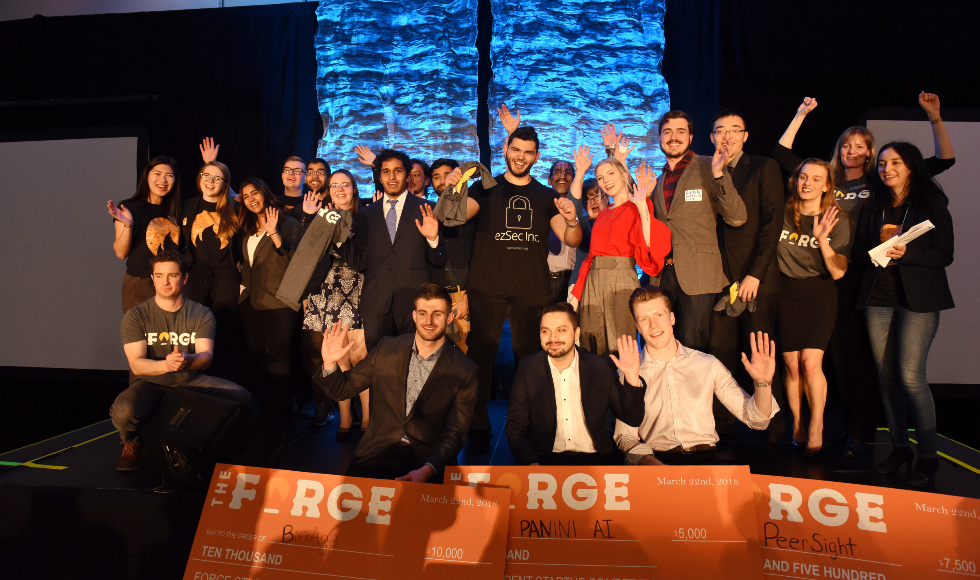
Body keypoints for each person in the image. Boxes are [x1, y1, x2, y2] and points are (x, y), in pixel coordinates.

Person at [773, 94, 955, 457]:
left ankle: (863, 433)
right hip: (834, 275)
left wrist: (935, 118)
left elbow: (942, 162)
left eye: (861, 146)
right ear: (838, 150)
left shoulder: (880, 180)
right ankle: (847, 430)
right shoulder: (827, 179)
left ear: (871, 154)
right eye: (847, 144)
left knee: (876, 364)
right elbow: (783, 157)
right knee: (844, 358)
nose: (852, 150)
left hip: (868, 273)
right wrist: (799, 114)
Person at [441, 119, 582, 454]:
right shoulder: (485, 189)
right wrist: (454, 185)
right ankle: (477, 425)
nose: (520, 156)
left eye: (528, 152)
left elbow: (571, 238)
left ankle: (533, 424)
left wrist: (573, 218)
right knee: (480, 358)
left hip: (531, 289)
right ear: (505, 150)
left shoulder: (546, 196)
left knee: (531, 359)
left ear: (536, 156)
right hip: (486, 287)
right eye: (515, 149)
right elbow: (454, 217)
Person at [853, 142, 954, 488]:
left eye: (895, 162)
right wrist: (875, 253)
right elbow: (857, 253)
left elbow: (945, 254)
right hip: (878, 297)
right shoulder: (874, 206)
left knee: (911, 377)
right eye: (881, 163)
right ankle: (899, 447)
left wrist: (906, 252)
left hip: (918, 300)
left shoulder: (930, 203)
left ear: (910, 166)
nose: (887, 168)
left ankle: (928, 455)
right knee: (887, 378)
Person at [315, 284, 478, 481]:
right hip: (376, 454)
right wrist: (330, 363)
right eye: (423, 313)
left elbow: (455, 433)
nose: (429, 321)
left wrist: (428, 469)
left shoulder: (465, 370)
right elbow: (343, 390)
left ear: (450, 317)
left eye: (437, 314)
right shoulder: (387, 348)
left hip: (427, 461)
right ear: (414, 315)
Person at [110, 250, 250, 471]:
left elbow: (206, 358)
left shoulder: (201, 314)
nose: (165, 281)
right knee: (123, 410)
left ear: (184, 278)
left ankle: (222, 448)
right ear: (153, 278)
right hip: (149, 383)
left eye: (173, 275)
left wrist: (186, 360)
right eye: (159, 275)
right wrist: (166, 365)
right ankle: (132, 443)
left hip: (190, 380)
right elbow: (136, 363)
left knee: (242, 398)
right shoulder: (136, 316)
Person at [614, 286, 778, 465]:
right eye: (644, 319)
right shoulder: (628, 373)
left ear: (672, 318)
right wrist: (650, 463)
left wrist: (763, 383)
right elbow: (625, 436)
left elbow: (757, 420)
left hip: (706, 462)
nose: (653, 325)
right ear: (638, 327)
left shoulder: (707, 364)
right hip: (658, 462)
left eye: (659, 315)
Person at [704, 110, 787, 444]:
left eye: (734, 130)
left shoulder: (764, 167)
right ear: (711, 138)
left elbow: (772, 225)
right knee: (720, 355)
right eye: (720, 130)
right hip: (717, 281)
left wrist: (755, 275)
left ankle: (771, 432)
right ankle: (722, 431)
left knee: (761, 355)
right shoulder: (706, 170)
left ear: (745, 135)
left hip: (756, 281)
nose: (727, 136)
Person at [649, 110, 747, 352]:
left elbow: (737, 217)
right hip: (662, 276)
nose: (673, 137)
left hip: (698, 275)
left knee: (692, 350)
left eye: (680, 131)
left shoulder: (708, 165)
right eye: (667, 132)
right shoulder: (657, 179)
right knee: (662, 348)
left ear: (691, 137)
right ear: (659, 138)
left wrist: (718, 174)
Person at [505, 303, 647, 465]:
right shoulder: (528, 367)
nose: (552, 338)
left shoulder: (600, 367)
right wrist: (530, 463)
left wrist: (632, 378)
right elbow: (515, 426)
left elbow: (632, 418)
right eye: (546, 331)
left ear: (576, 333)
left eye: (561, 330)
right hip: (544, 460)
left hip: (596, 458)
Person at [339, 149, 445, 353]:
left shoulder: (427, 208)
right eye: (386, 172)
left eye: (397, 170)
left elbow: (439, 260)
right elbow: (361, 262)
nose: (392, 176)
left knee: (416, 363)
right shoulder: (366, 214)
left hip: (415, 303)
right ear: (379, 177)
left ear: (407, 175)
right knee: (379, 366)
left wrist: (433, 238)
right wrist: (338, 241)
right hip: (377, 304)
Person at [776, 159, 849, 456]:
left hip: (819, 293)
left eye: (816, 179)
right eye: (803, 177)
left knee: (810, 363)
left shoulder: (837, 219)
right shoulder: (782, 213)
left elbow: (839, 272)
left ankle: (817, 424)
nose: (808, 183)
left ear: (827, 186)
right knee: (792, 366)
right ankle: (797, 423)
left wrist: (822, 240)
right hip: (785, 293)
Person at [570, 147, 671, 355]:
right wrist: (576, 295)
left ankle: (625, 387)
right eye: (600, 177)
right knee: (592, 345)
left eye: (610, 173)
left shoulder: (638, 205)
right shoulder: (602, 215)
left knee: (621, 346)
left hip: (621, 280)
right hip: (592, 282)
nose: (605, 180)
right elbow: (590, 259)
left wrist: (643, 205)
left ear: (624, 174)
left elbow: (650, 246)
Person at [302, 169, 371, 438]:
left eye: (345, 185)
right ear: (328, 191)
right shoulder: (322, 219)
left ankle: (367, 417)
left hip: (357, 288)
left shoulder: (366, 218)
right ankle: (344, 418)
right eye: (334, 186)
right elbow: (305, 258)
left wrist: (339, 230)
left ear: (354, 188)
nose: (340, 190)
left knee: (360, 358)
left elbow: (362, 260)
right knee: (337, 356)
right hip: (326, 291)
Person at [237, 178, 303, 422]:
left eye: (255, 193)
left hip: (280, 301)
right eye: (245, 196)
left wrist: (274, 232)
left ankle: (283, 413)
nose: (251, 198)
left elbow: (295, 262)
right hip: (251, 301)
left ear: (265, 193)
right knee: (259, 358)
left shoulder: (289, 223)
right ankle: (266, 411)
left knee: (279, 358)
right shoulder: (247, 226)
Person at [180, 154, 243, 380]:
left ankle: (217, 383)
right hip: (195, 275)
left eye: (217, 178)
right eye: (206, 175)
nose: (210, 181)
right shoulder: (185, 206)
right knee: (191, 330)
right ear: (199, 178)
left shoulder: (235, 208)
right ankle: (190, 381)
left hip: (226, 277)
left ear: (225, 184)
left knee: (223, 331)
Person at [107, 156, 183, 312]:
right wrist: (128, 225)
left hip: (171, 282)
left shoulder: (177, 210)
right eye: (157, 173)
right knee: (140, 335)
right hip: (140, 282)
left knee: (170, 335)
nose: (163, 179)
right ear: (146, 176)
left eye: (169, 175)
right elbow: (121, 253)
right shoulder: (129, 208)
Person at [429, 158, 477, 353]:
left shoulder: (472, 211)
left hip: (463, 295)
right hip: (435, 295)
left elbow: (482, 257)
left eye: (447, 175)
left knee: (468, 355)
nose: (443, 180)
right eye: (436, 177)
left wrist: (470, 296)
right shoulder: (428, 213)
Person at [567, 178, 609, 310]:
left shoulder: (617, 220)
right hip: (581, 285)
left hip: (611, 283)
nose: (592, 202)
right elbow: (573, 206)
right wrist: (579, 172)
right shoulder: (583, 224)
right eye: (586, 200)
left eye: (596, 197)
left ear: (607, 197)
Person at [547, 160, 577, 303]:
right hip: (542, 281)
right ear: (549, 179)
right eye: (558, 172)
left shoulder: (584, 210)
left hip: (572, 283)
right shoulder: (538, 209)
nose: (563, 176)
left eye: (568, 172)